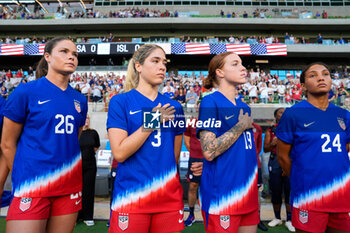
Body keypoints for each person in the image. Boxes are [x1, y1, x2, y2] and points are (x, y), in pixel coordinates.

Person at [1, 37, 88, 233]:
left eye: (74, 54)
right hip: (32, 186)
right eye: (64, 52)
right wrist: (25, 176)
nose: (71, 57)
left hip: (68, 187)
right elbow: (7, 143)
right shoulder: (25, 91)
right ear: (47, 57)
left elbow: (73, 141)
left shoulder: (80, 100)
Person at [107, 44, 185, 233]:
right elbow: (119, 153)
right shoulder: (120, 101)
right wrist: (152, 120)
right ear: (138, 66)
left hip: (168, 197)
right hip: (131, 196)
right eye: (155, 61)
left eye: (164, 63)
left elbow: (174, 157)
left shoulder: (176, 107)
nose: (162, 67)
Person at [276, 62, 350, 233]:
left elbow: (344, 148)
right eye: (313, 75)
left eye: (325, 74)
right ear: (303, 86)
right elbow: (282, 156)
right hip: (308, 196)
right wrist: (300, 180)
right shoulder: (293, 114)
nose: (321, 77)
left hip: (340, 194)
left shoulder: (343, 115)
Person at [197, 52, 259, 233]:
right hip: (222, 195)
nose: (243, 67)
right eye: (235, 64)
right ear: (220, 72)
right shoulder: (210, 101)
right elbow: (208, 151)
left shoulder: (243, 105)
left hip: (248, 192)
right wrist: (240, 127)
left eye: (242, 63)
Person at [264, 108, 295, 232]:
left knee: (289, 190)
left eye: (285, 112)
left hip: (289, 160)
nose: (283, 113)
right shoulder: (270, 130)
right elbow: (265, 149)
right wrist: (272, 143)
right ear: (275, 116)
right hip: (275, 161)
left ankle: (289, 219)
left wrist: (287, 164)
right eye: (281, 112)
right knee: (276, 190)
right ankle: (277, 218)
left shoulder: (292, 129)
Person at [78, 114, 100, 226]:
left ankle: (88, 216)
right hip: (76, 166)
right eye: (85, 118)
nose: (86, 120)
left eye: (88, 118)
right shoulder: (76, 132)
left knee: (88, 191)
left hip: (90, 166)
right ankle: (77, 216)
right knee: (76, 192)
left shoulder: (93, 133)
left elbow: (96, 147)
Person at [183, 109, 204, 227]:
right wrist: (196, 154)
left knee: (209, 186)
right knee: (193, 186)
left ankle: (210, 213)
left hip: (210, 159)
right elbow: (187, 142)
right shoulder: (191, 123)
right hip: (195, 158)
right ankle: (191, 215)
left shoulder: (214, 122)